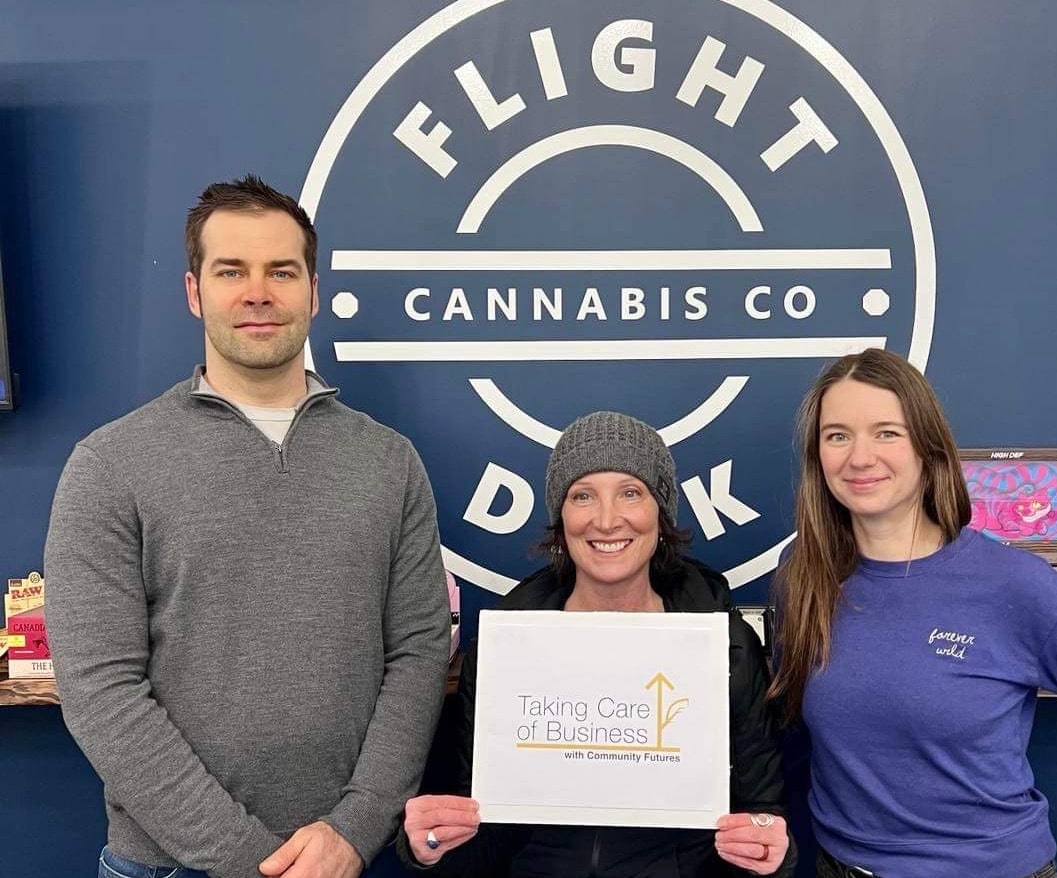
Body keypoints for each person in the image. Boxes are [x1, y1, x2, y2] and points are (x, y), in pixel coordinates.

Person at [43, 175, 452, 878]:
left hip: (342, 860)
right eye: (231, 271)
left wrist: (353, 831)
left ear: (313, 291)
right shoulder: (110, 464)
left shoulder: (389, 463)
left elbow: (418, 656)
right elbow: (100, 689)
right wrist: (251, 859)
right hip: (169, 866)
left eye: (281, 271)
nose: (258, 292)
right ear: (194, 291)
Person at [770, 348, 1057, 878]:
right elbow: (790, 735)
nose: (859, 457)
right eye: (837, 435)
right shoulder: (803, 576)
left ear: (928, 447)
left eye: (887, 432)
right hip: (838, 867)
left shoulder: (1014, 584)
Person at [397, 411, 797, 877]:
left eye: (631, 493)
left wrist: (772, 853)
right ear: (560, 518)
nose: (607, 521)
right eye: (583, 496)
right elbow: (482, 836)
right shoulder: (504, 647)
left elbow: (764, 813)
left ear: (660, 514)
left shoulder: (725, 647)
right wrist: (430, 846)